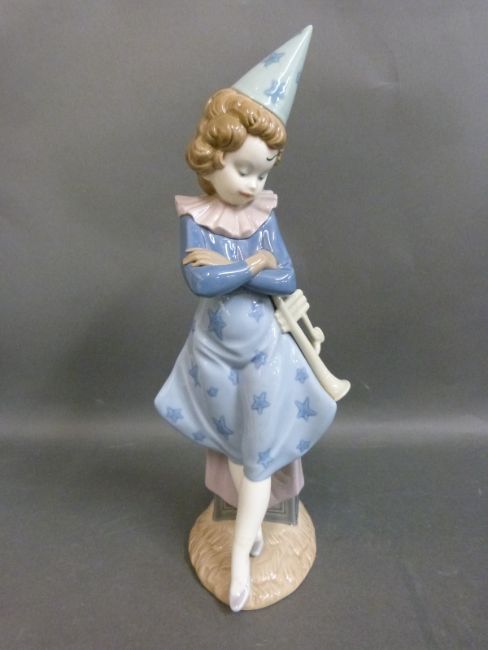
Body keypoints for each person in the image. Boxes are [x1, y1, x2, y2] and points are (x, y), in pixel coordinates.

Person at [155, 27, 337, 612]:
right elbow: (199, 281)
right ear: (212, 158)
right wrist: (252, 265)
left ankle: (239, 558)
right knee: (234, 445)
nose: (254, 185)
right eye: (244, 170)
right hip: (212, 355)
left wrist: (241, 265)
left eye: (264, 172)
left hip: (262, 351)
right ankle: (249, 527)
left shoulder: (261, 215)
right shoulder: (197, 217)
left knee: (257, 455)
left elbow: (285, 278)